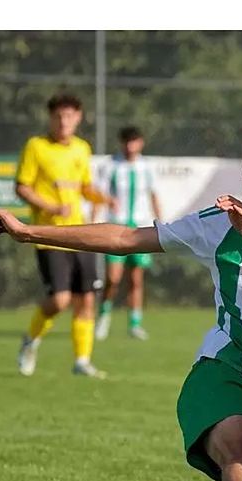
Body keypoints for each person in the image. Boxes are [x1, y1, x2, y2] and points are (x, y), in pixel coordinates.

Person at [0, 128, 242, 481]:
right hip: (226, 371)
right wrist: (30, 232)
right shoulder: (219, 225)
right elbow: (125, 238)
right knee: (239, 449)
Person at [14, 92, 114, 379]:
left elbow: (83, 187)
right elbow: (22, 186)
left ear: (78, 118)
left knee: (86, 300)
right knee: (60, 299)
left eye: (69, 116)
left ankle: (82, 361)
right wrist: (51, 206)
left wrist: (101, 197)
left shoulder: (82, 148)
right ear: (50, 118)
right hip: (49, 235)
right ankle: (30, 340)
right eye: (58, 116)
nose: (63, 121)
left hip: (79, 233)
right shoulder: (36, 146)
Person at [94, 126, 163, 341]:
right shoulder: (110, 166)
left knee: (136, 279)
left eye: (134, 141)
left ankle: (135, 323)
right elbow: (100, 194)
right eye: (127, 141)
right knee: (112, 278)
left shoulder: (146, 167)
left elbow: (153, 195)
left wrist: (160, 222)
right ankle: (103, 316)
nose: (130, 146)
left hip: (140, 228)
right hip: (118, 227)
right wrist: (96, 220)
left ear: (140, 143)